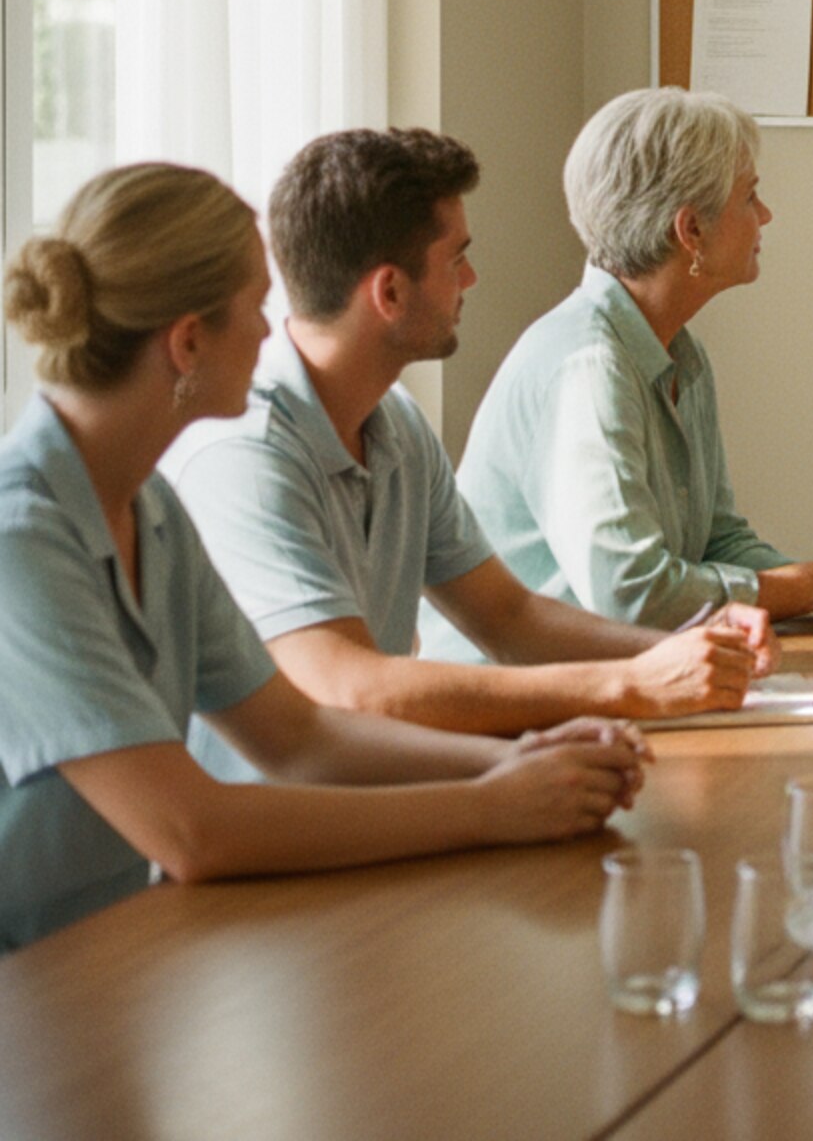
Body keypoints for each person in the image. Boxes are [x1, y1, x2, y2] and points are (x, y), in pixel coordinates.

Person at [0, 164, 648, 954]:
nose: (272, 333)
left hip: (108, 959)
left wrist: (512, 764)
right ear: (187, 342)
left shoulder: (150, 507)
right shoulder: (21, 539)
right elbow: (190, 831)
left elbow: (299, 734)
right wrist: (490, 806)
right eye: (255, 308)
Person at [164, 129, 777, 773]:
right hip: (281, 847)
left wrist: (686, 652)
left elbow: (510, 618)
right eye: (457, 258)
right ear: (390, 293)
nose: (472, 278)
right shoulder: (246, 457)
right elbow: (353, 690)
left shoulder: (396, 423)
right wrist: (630, 684)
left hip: (380, 802)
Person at [442, 88, 813, 633]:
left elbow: (716, 544)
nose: (766, 215)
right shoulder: (588, 367)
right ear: (691, 230)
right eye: (750, 197)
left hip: (614, 681)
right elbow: (632, 596)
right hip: (517, 706)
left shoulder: (681, 352)